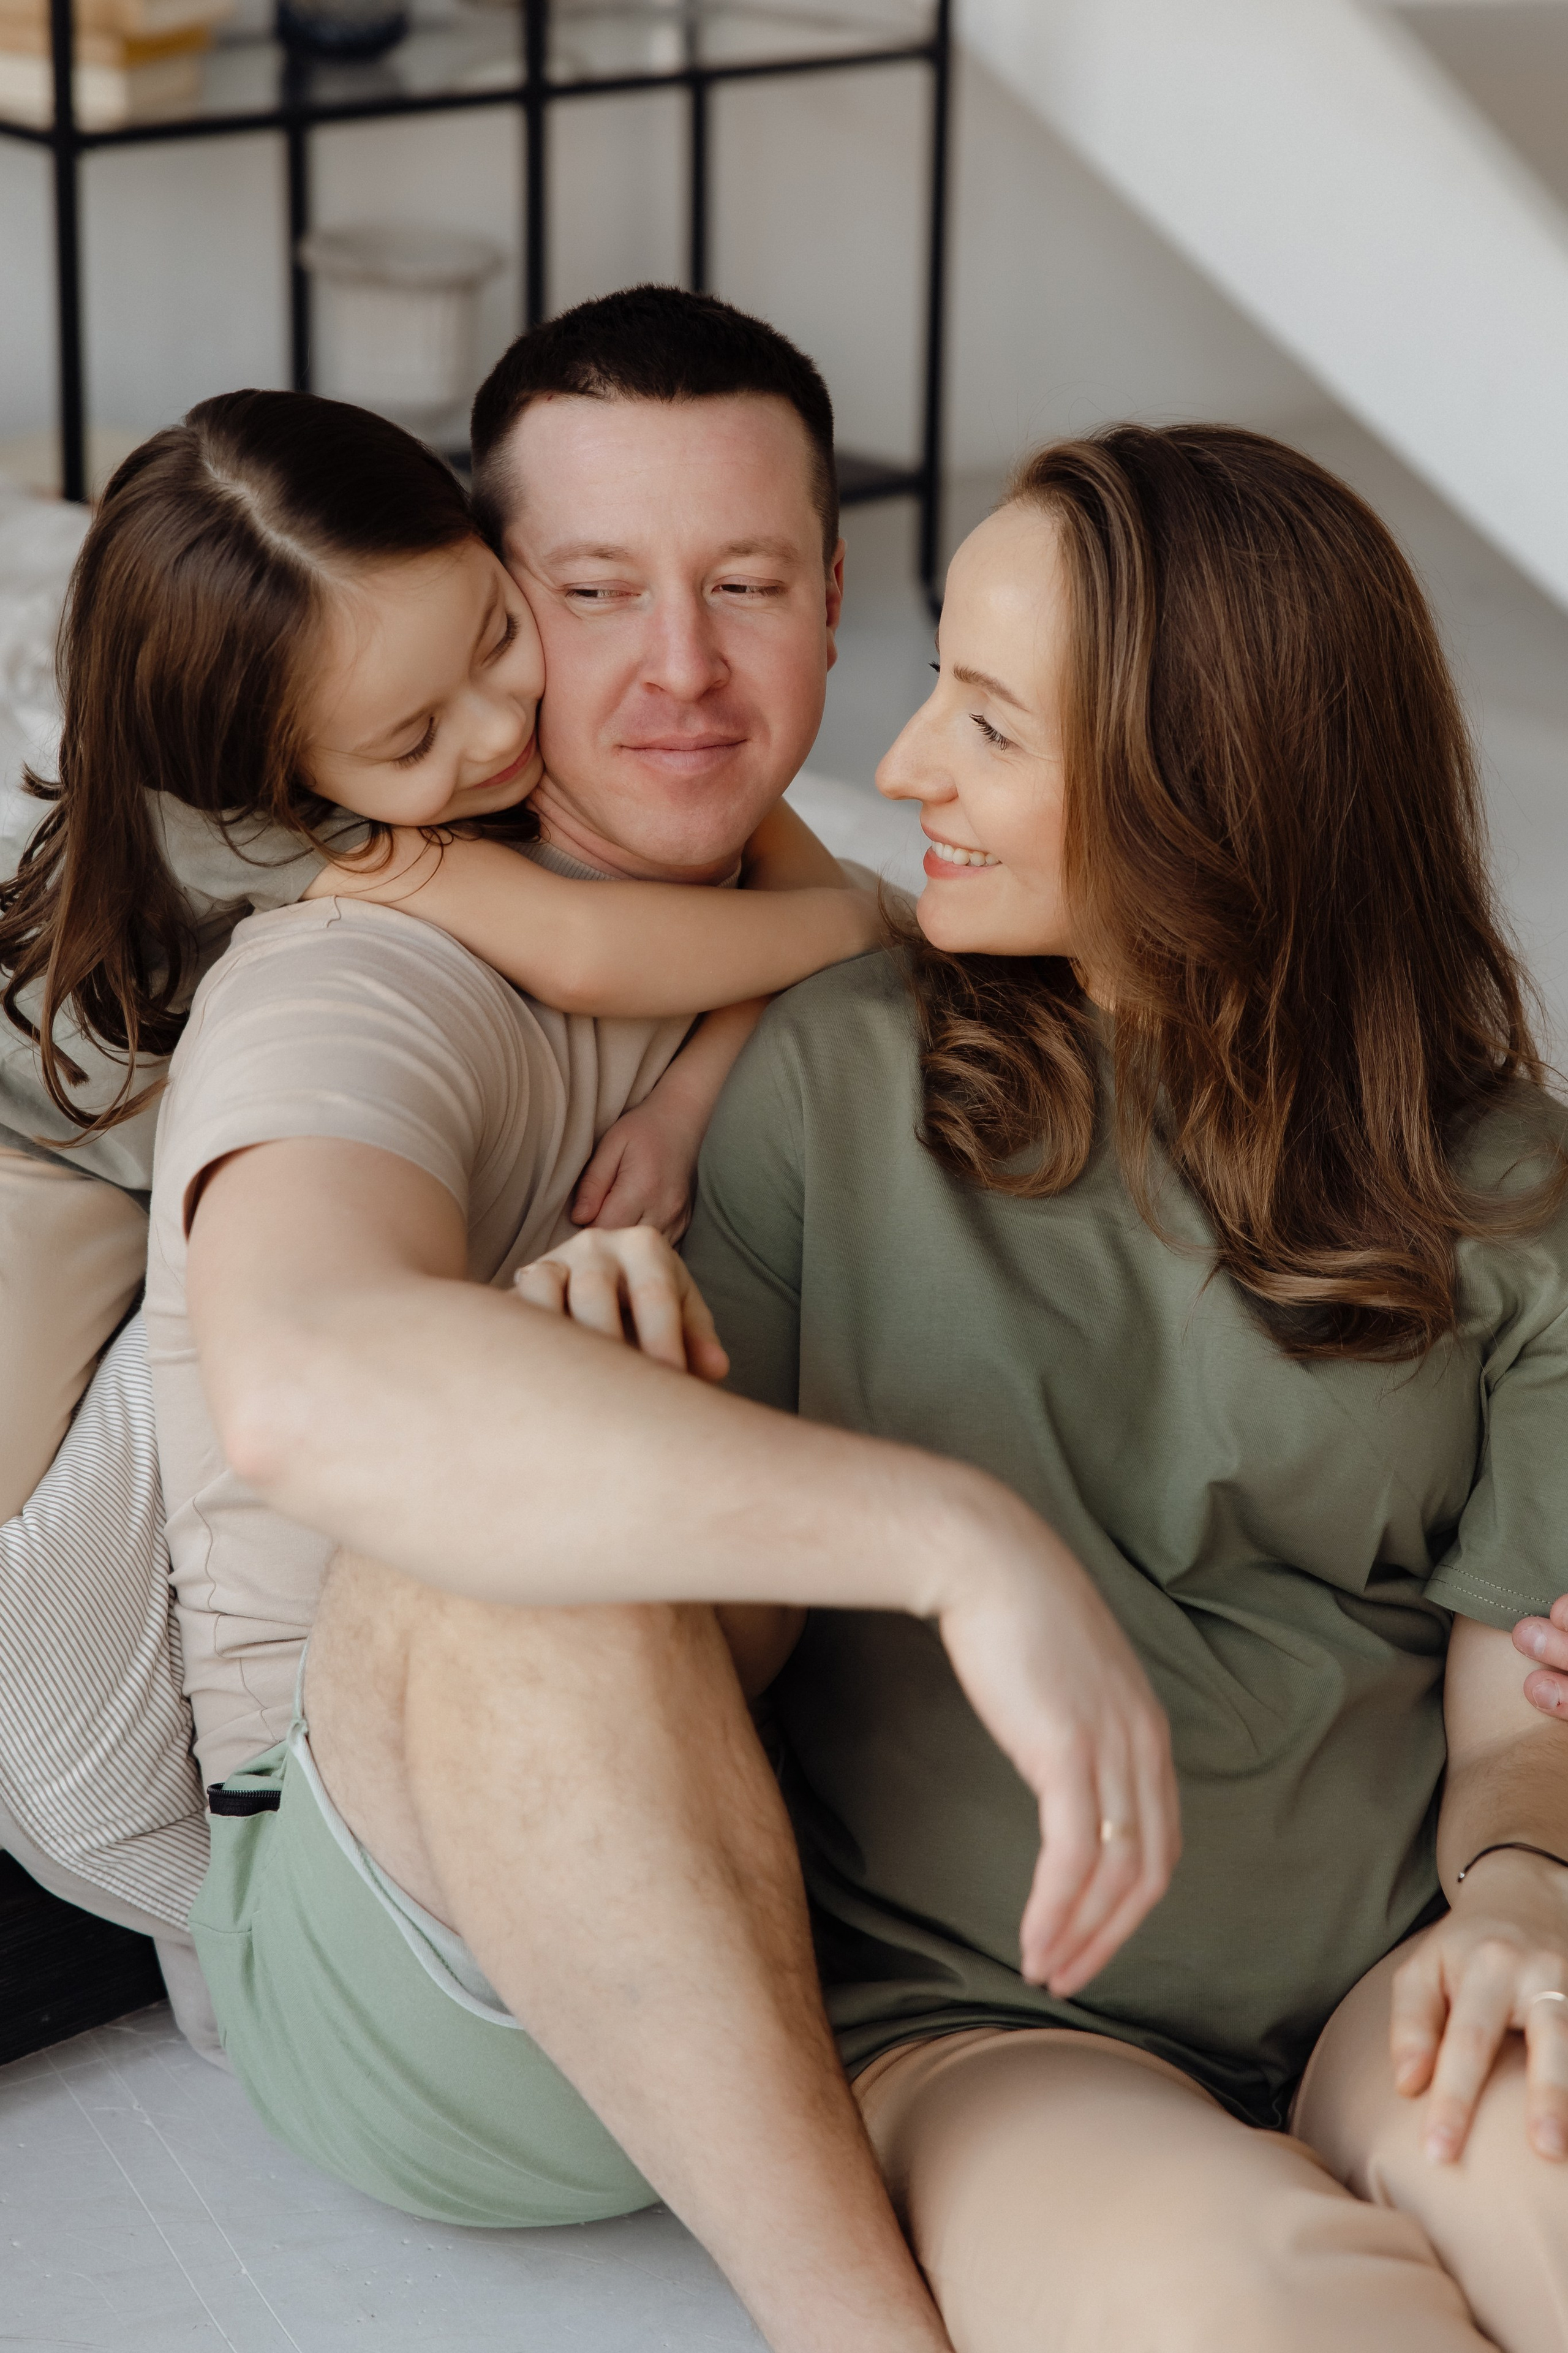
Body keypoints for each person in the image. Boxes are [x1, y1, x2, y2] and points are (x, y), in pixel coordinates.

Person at [677, 423, 1568, 2349]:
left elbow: (1525, 1712)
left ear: (1214, 790)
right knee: (1244, 2306)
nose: (904, 764)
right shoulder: (832, 1084)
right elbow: (714, 1646)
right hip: (983, 2021)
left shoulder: (1509, 1185)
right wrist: (613, 1377)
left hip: (1396, 1969)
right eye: (940, 687)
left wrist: (1520, 1899)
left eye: (989, 724)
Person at [0, 374, 874, 1524]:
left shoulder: (426, 685)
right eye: (414, 739)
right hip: (44, 1137)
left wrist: (689, 1097)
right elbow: (581, 946)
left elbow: (783, 875)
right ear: (282, 773)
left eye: (498, 633)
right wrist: (875, 920)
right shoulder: (240, 814)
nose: (501, 726)